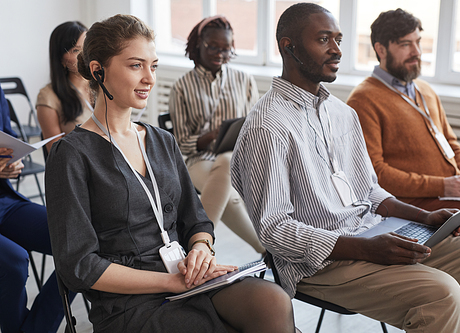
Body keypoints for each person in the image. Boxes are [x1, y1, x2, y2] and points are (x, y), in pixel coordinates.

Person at [231, 3, 460, 332]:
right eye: (324, 40)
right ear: (289, 47)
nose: (336, 50)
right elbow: (276, 230)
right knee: (442, 295)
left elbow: (370, 191)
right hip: (319, 264)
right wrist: (367, 249)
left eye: (339, 40)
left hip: (374, 235)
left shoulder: (342, 114)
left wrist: (425, 218)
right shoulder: (268, 127)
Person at [45, 14, 295, 333]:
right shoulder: (72, 155)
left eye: (154, 66)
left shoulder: (161, 141)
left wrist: (202, 249)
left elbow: (197, 220)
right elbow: (79, 268)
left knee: (272, 301)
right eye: (136, 65)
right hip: (129, 304)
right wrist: (170, 281)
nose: (149, 78)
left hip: (187, 280)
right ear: (98, 70)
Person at [346, 8, 460, 242]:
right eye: (405, 45)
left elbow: (451, 143)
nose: (416, 52)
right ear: (380, 49)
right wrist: (443, 186)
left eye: (418, 42)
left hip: (457, 196)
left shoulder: (425, 90)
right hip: (416, 204)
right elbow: (375, 174)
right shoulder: (363, 99)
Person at [169, 15, 265, 255]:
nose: (220, 54)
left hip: (239, 160)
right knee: (226, 171)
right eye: (213, 47)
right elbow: (181, 143)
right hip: (198, 161)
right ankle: (265, 251)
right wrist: (208, 137)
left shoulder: (244, 80)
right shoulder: (181, 86)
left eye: (226, 49)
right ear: (199, 43)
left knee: (228, 162)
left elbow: (254, 125)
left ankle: (194, 246)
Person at [0, 86, 71, 332]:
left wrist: (11, 163)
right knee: (14, 262)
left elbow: (7, 140)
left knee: (77, 240)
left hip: (4, 201)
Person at [36, 21, 93, 153]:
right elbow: (56, 153)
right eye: (76, 50)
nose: (85, 55)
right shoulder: (48, 96)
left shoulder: (101, 86)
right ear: (60, 58)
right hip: (79, 168)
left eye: (87, 47)